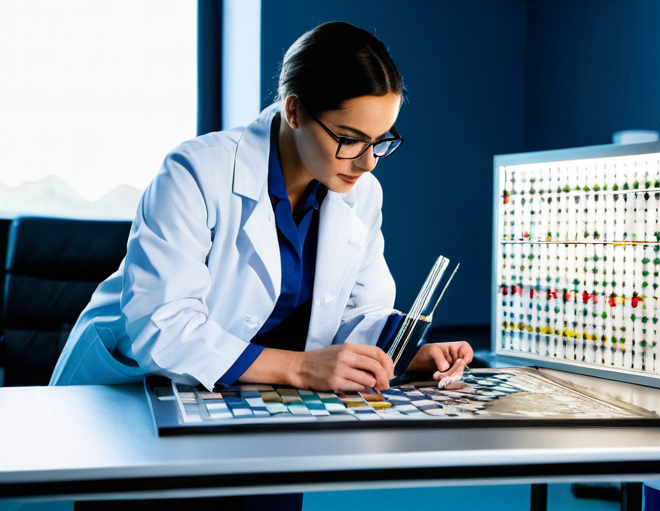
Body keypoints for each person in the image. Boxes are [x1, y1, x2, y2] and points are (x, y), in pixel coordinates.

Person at [50, 21, 473, 395]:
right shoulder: (195, 172)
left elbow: (353, 314)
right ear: (294, 110)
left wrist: (401, 355)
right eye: (349, 138)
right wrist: (303, 369)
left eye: (381, 140)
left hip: (247, 397)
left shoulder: (361, 193)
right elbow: (162, 327)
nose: (367, 162)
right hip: (128, 390)